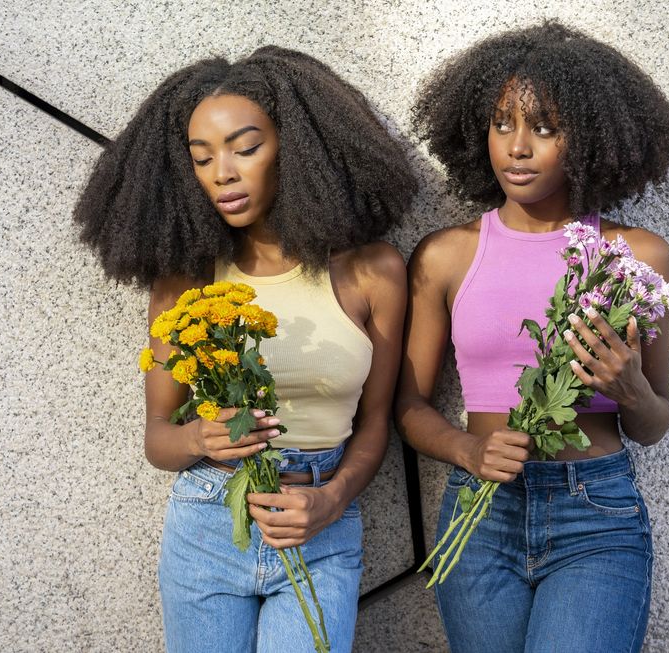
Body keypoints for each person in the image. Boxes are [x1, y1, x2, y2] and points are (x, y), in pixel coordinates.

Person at [74, 47, 416, 652]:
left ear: (297, 147)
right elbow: (158, 437)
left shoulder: (372, 272)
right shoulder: (186, 281)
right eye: (202, 158)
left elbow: (375, 423)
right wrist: (199, 439)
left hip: (320, 525)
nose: (222, 174)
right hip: (207, 523)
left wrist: (333, 499)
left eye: (245, 148)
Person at [395, 22, 669, 653]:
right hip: (480, 514)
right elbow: (409, 406)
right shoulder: (446, 256)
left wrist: (631, 390)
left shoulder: (635, 257)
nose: (517, 147)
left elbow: (655, 422)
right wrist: (467, 450)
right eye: (502, 124)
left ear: (591, 139)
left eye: (545, 128)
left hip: (595, 517)